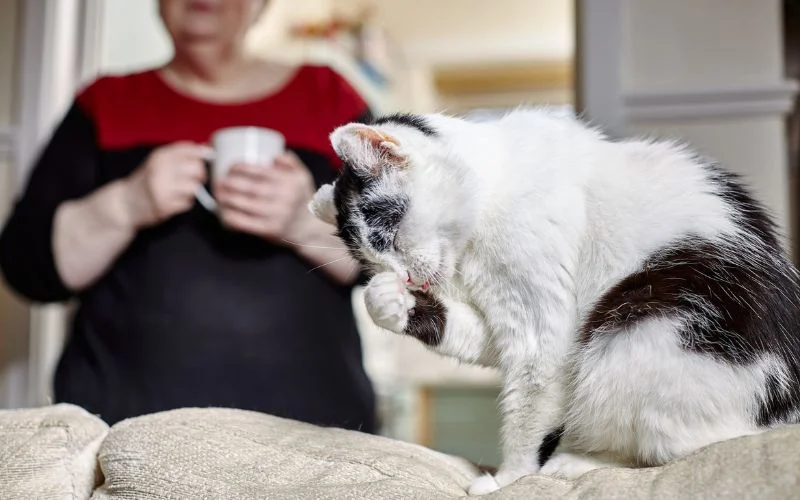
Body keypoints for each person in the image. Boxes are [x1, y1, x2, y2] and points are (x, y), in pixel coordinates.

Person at [0, 0, 377, 431]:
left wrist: (301, 221)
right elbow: (28, 266)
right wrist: (128, 203)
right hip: (120, 431)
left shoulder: (329, 98)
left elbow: (399, 256)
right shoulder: (105, 103)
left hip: (313, 435)